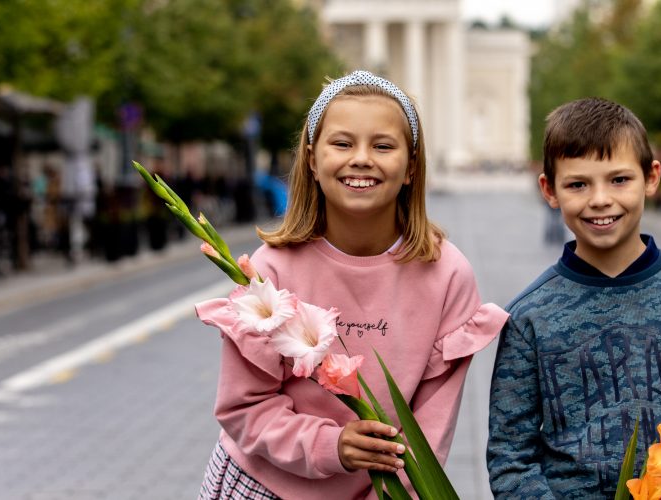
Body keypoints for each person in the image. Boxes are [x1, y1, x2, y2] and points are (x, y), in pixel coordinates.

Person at [195, 70, 508, 500]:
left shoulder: (448, 276)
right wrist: (330, 445)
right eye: (342, 143)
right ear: (311, 159)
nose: (361, 158)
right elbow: (243, 408)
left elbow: (429, 431)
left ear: (411, 168)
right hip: (263, 485)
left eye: (383, 145)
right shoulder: (271, 271)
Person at [486, 98, 661, 500]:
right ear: (549, 190)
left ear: (651, 177)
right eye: (578, 184)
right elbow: (510, 453)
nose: (600, 199)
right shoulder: (529, 315)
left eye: (619, 179)